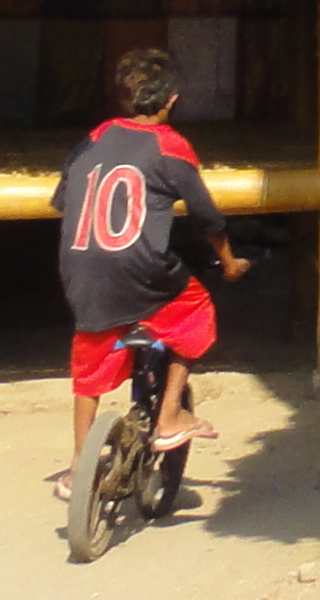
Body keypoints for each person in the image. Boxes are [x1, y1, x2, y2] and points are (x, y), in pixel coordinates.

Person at [57, 44, 246, 481]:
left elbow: (65, 200)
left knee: (90, 363)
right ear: (172, 100)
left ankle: (79, 464)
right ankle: (170, 417)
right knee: (195, 312)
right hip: (141, 269)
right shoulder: (171, 146)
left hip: (81, 269)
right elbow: (209, 218)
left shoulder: (94, 138)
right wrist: (229, 262)